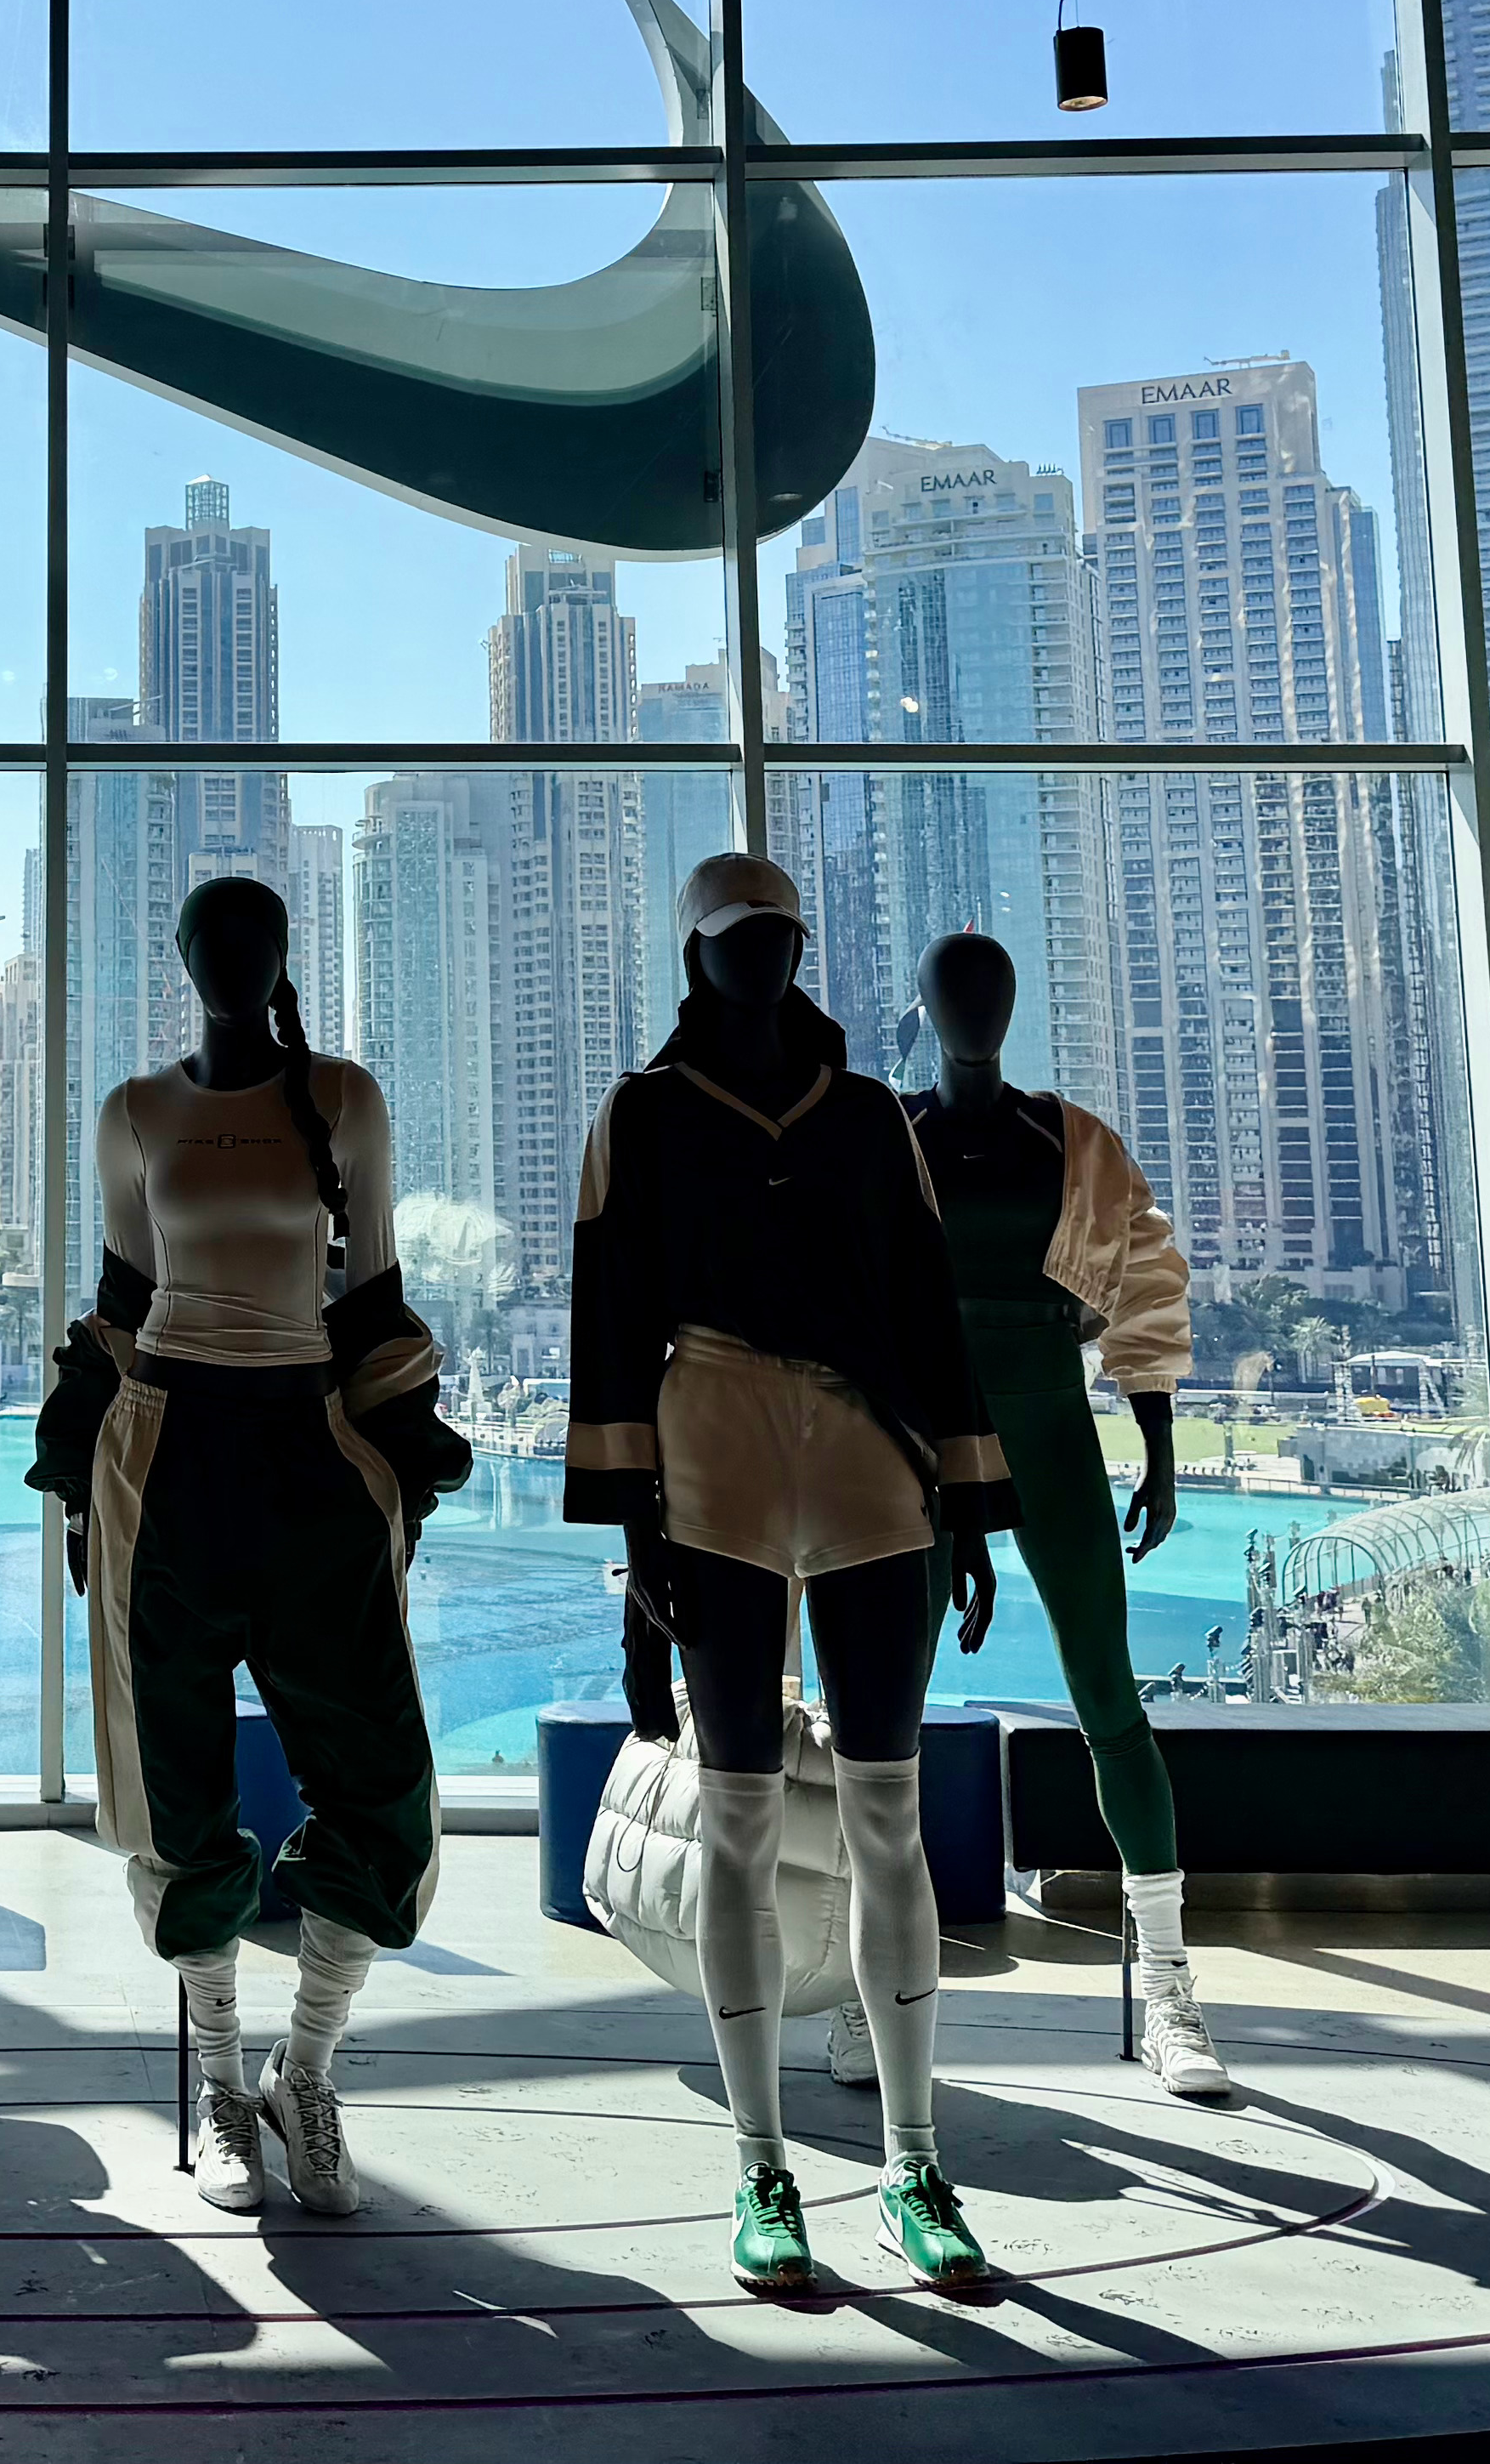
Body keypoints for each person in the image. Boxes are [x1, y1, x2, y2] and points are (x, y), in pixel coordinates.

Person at [568, 852, 1011, 2299]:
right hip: (712, 1440)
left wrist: (970, 1502)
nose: (757, 955)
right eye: (731, 935)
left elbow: (928, 1306)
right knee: (739, 1820)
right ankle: (761, 2161)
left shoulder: (870, 1116)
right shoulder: (640, 1114)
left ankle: (914, 2160)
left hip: (869, 1447)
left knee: (887, 1810)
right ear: (692, 951)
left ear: (799, 946)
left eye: (776, 934)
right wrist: (634, 1540)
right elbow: (609, 1319)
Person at [31, 871, 466, 2223]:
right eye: (212, 941)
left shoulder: (343, 1098)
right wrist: (76, 1492)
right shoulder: (134, 1111)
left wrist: (404, 1469)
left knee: (383, 1787)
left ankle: (305, 2070)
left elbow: (374, 1292)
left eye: (257, 940)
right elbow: (121, 1296)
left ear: (283, 956)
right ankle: (222, 2086)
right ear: (182, 960)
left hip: (310, 1454)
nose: (234, 960)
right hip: (163, 1458)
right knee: (175, 1790)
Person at [905, 931, 1226, 2100]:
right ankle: (867, 1982)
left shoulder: (1072, 1140)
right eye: (956, 993)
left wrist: (1158, 1445)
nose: (974, 1011)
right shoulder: (891, 1134)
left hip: (1050, 1420)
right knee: (880, 1717)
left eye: (991, 991)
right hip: (919, 1435)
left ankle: (1170, 1981)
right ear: (924, 1008)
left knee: (1109, 1697)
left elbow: (1145, 1282)